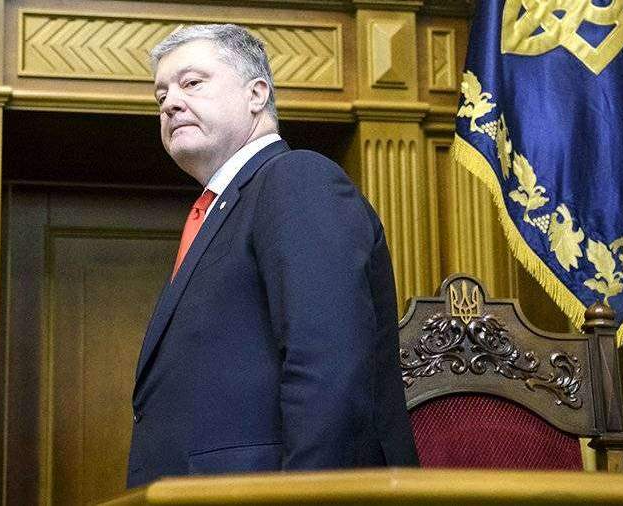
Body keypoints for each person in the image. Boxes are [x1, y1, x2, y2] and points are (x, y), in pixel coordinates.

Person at [127, 24, 418, 487]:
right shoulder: (225, 207)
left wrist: (301, 497)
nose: (169, 103)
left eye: (191, 83)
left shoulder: (297, 179)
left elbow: (329, 369)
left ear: (256, 93)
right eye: (161, 95)